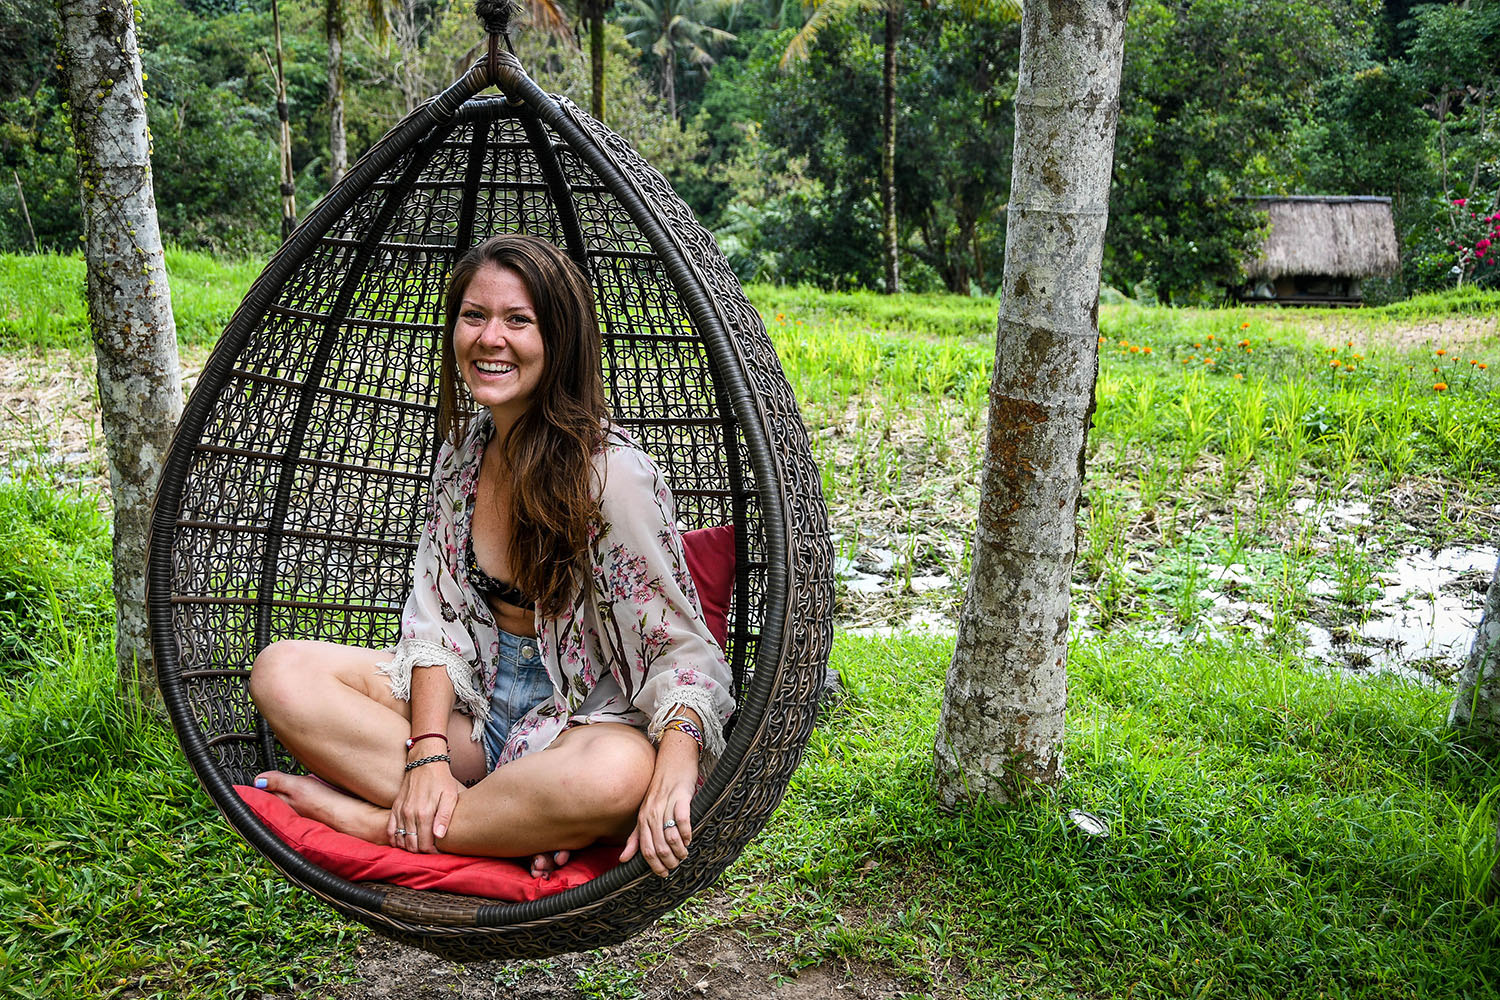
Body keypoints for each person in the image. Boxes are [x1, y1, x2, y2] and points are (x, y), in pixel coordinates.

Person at [249, 234, 735, 880]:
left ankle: (377, 822)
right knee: (281, 673)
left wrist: (676, 766)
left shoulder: (611, 480)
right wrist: (426, 756)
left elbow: (684, 650)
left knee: (621, 776)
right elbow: (434, 621)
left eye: (518, 320)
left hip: (576, 724)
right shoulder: (464, 457)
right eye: (474, 316)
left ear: (558, 341)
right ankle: (495, 820)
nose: (489, 338)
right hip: (469, 712)